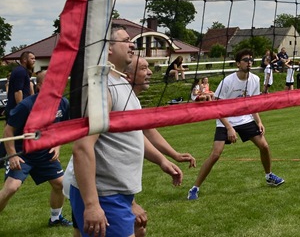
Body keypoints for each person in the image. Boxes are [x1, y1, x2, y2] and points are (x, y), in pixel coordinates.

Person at [65, 28, 182, 237]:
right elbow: (82, 148)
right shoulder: (103, 88)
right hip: (104, 194)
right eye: (126, 41)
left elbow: (133, 134)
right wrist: (92, 205)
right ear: (108, 48)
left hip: (117, 193)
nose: (132, 45)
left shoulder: (122, 84)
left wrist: (162, 161)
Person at [188, 49, 285, 201]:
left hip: (245, 118)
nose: (249, 62)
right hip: (225, 119)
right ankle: (195, 188)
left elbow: (252, 104)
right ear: (238, 63)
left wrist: (259, 121)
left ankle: (269, 176)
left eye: (251, 59)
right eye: (246, 60)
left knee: (264, 146)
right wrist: (229, 127)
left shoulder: (254, 79)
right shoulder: (227, 81)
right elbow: (217, 107)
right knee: (216, 154)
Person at [1, 70, 73, 227]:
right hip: (23, 153)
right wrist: (12, 156)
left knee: (60, 184)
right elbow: (8, 131)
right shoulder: (26, 106)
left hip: (45, 153)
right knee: (11, 188)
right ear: (40, 86)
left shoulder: (63, 103)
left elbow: (61, 128)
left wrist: (57, 145)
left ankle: (55, 219)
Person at [126, 56, 197, 172]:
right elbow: (137, 136)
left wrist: (175, 155)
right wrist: (162, 160)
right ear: (127, 75)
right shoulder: (122, 100)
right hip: (109, 181)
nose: (150, 72)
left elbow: (147, 130)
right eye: (143, 68)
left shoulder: (133, 99)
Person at [5, 51, 35, 117]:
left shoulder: (22, 71)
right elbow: (18, 91)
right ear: (24, 60)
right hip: (17, 109)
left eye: (34, 59)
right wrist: (20, 109)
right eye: (32, 59)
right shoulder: (21, 71)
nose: (34, 61)